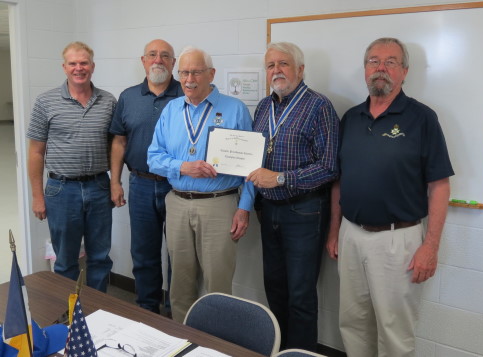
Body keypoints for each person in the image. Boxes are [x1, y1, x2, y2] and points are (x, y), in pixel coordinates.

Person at [327, 37, 454, 357]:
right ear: (365, 69)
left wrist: (431, 246)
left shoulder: (422, 118)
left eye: (390, 62)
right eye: (373, 61)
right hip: (351, 235)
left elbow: (439, 186)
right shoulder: (351, 118)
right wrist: (334, 232)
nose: (380, 68)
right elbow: (339, 182)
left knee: (394, 332)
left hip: (399, 240)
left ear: (404, 71)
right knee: (352, 324)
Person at [147, 46, 255, 322]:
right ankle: (183, 341)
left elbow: (251, 166)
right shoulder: (171, 110)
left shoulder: (235, 109)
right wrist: (183, 166)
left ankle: (218, 346)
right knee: (180, 284)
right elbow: (153, 157)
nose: (188, 79)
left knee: (218, 286)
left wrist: (244, 208)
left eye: (195, 72)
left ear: (211, 74)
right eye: (183, 72)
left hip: (219, 205)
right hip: (178, 202)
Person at [247, 42, 339, 351]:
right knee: (274, 288)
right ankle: (280, 349)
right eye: (270, 65)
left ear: (300, 69)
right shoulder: (263, 107)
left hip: (304, 212)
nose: (276, 70)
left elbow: (329, 167)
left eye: (283, 64)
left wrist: (282, 178)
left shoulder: (319, 106)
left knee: (300, 294)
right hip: (269, 211)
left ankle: (300, 353)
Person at [27, 41, 116, 292]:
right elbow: (35, 152)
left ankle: (99, 311)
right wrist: (37, 196)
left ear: (93, 66)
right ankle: (69, 316)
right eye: (73, 63)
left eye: (84, 63)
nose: (79, 68)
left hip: (99, 186)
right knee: (66, 261)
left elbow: (116, 146)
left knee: (100, 258)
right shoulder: (46, 102)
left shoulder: (108, 101)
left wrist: (116, 183)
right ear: (64, 67)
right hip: (61, 190)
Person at [109, 39, 183, 314]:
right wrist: (115, 182)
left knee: (179, 256)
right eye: (152, 55)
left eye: (165, 56)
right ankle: (147, 312)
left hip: (177, 187)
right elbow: (119, 141)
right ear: (143, 61)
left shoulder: (185, 94)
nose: (158, 60)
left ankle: (176, 314)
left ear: (173, 63)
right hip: (139, 183)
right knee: (143, 254)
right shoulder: (128, 97)